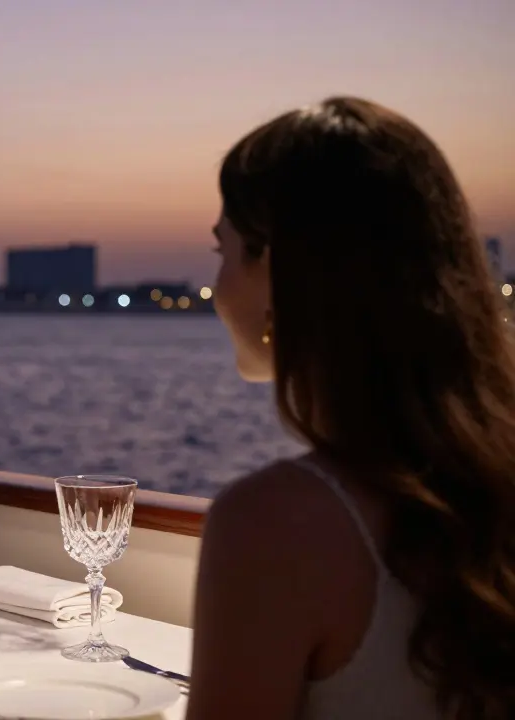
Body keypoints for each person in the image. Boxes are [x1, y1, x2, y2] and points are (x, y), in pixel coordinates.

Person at [187, 97, 515, 719]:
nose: (216, 287)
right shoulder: (488, 485)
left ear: (276, 268)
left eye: (220, 254)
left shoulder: (274, 522)